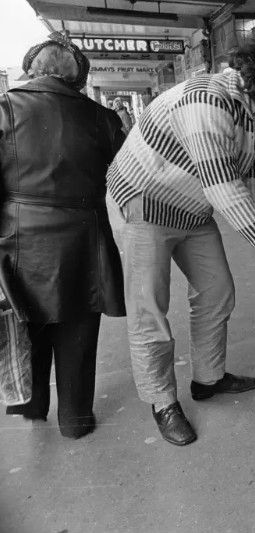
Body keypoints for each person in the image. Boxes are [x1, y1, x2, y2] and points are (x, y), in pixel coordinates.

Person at [105, 31, 255, 446]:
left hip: (192, 208)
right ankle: (162, 401)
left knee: (217, 290)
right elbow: (223, 186)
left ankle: (207, 378)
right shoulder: (206, 102)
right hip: (142, 203)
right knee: (149, 308)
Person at [0, 37, 126, 438]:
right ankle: (74, 419)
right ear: (78, 78)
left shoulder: (4, 110)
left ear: (31, 70)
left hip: (19, 242)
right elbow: (125, 177)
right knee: (78, 332)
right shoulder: (103, 118)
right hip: (84, 241)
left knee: (26, 325)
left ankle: (33, 405)